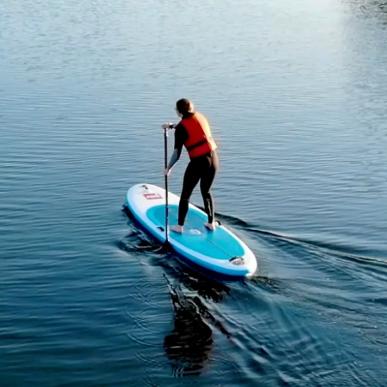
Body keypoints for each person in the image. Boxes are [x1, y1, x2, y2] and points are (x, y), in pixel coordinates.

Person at [163, 98, 219, 234]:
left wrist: (168, 168)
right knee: (206, 191)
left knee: (186, 194)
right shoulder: (200, 116)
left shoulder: (181, 128)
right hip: (214, 160)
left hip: (198, 162)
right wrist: (172, 126)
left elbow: (177, 153)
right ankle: (211, 223)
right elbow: (191, 127)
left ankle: (179, 226)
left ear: (178, 111)